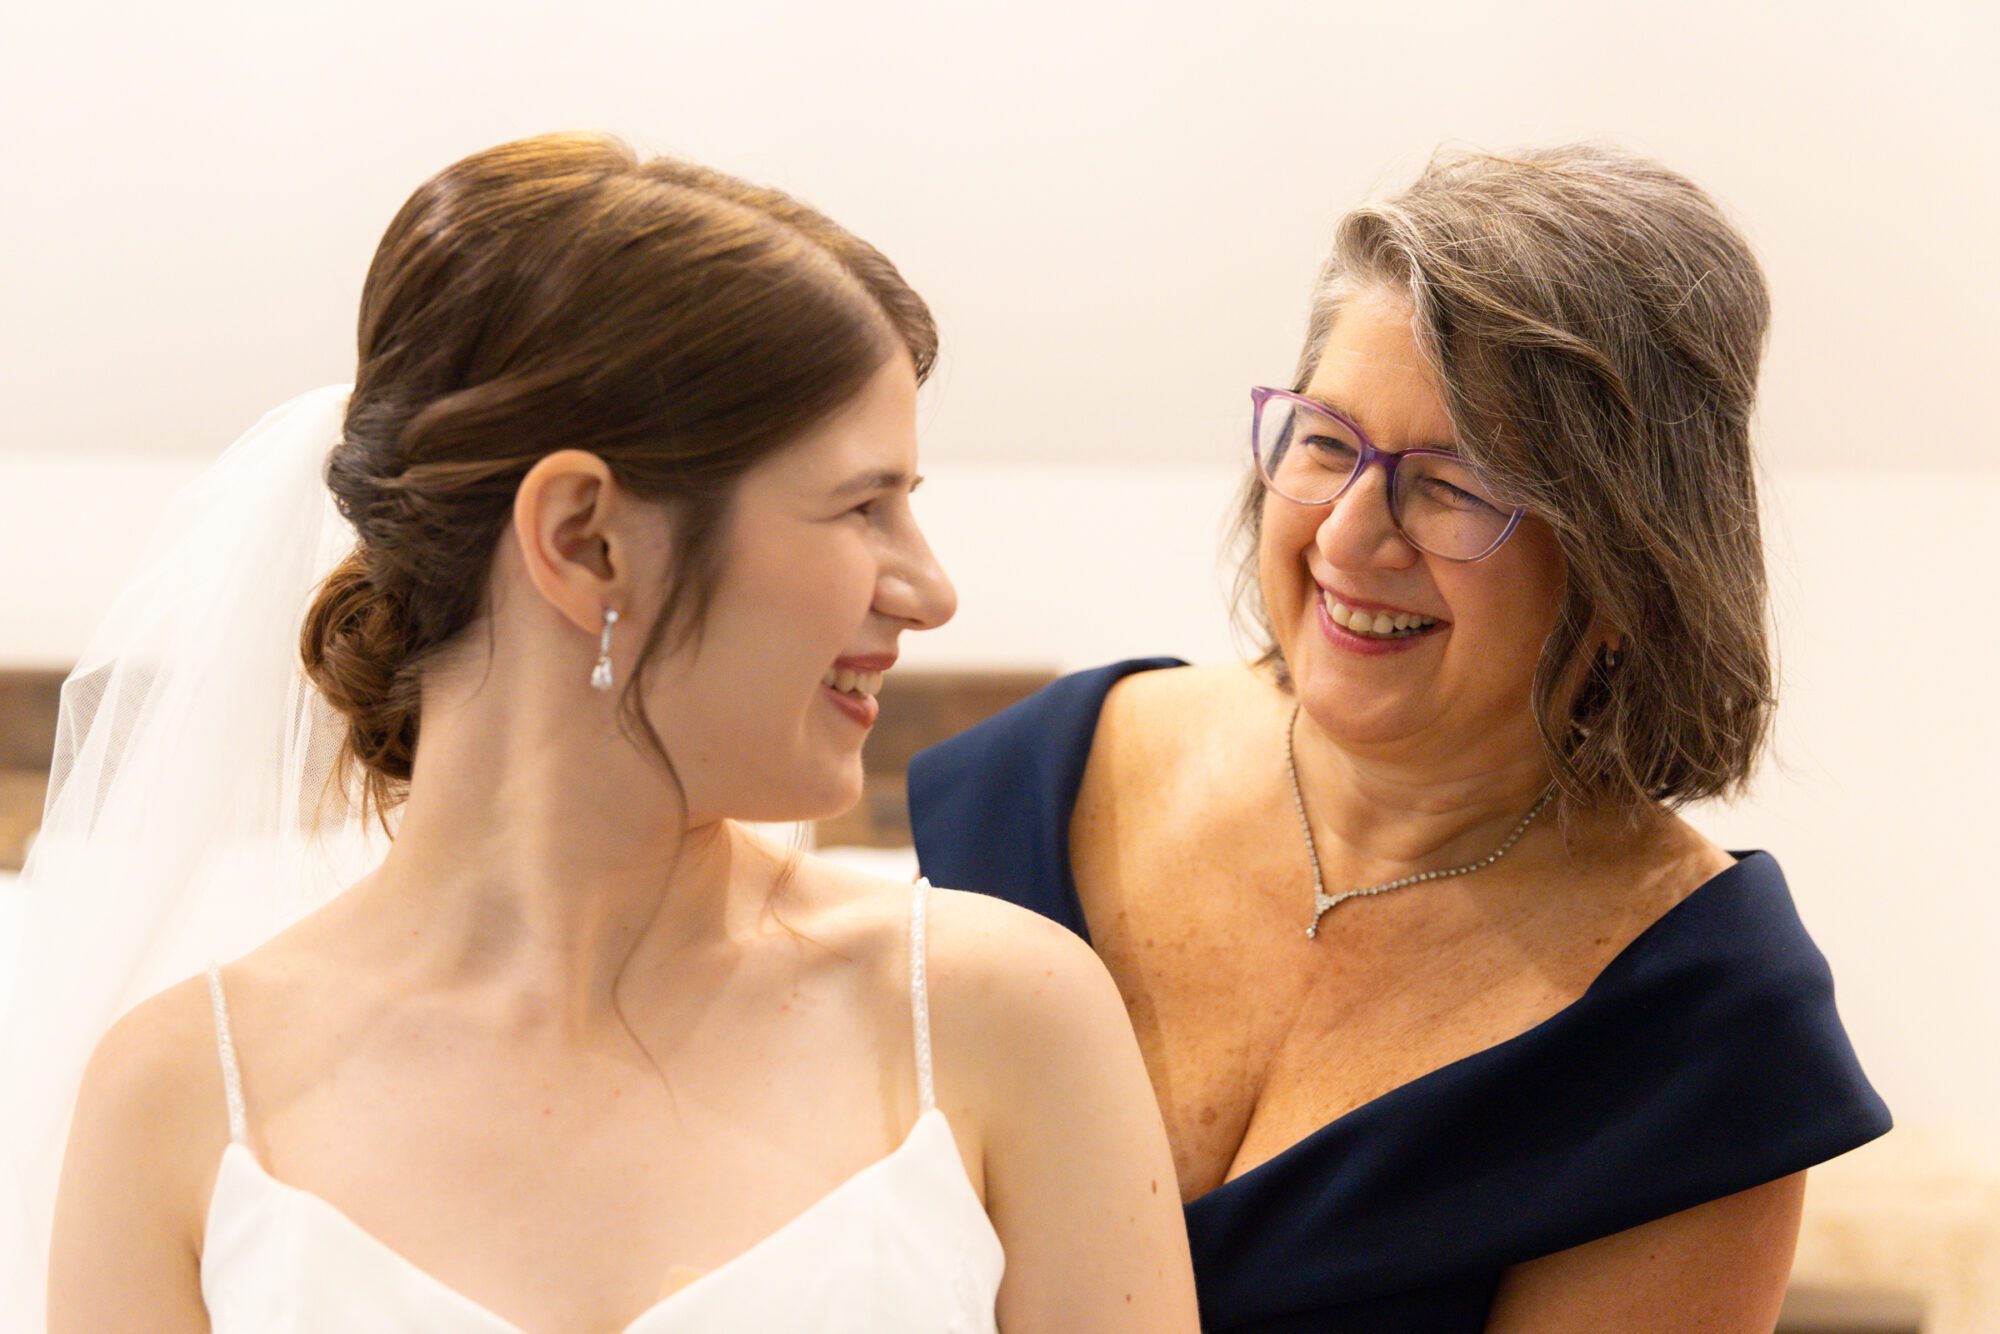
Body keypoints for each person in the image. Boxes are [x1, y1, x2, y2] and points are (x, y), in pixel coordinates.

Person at [19, 134, 1198, 1333]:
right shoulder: (178, 1105)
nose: (927, 589)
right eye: (861, 504)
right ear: (586, 537)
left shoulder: (1002, 1018)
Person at [909, 144, 1891, 1332]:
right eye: (1326, 441)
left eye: (1455, 482)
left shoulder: (1694, 1032)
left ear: (1633, 557)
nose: (1351, 534)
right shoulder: (1031, 785)